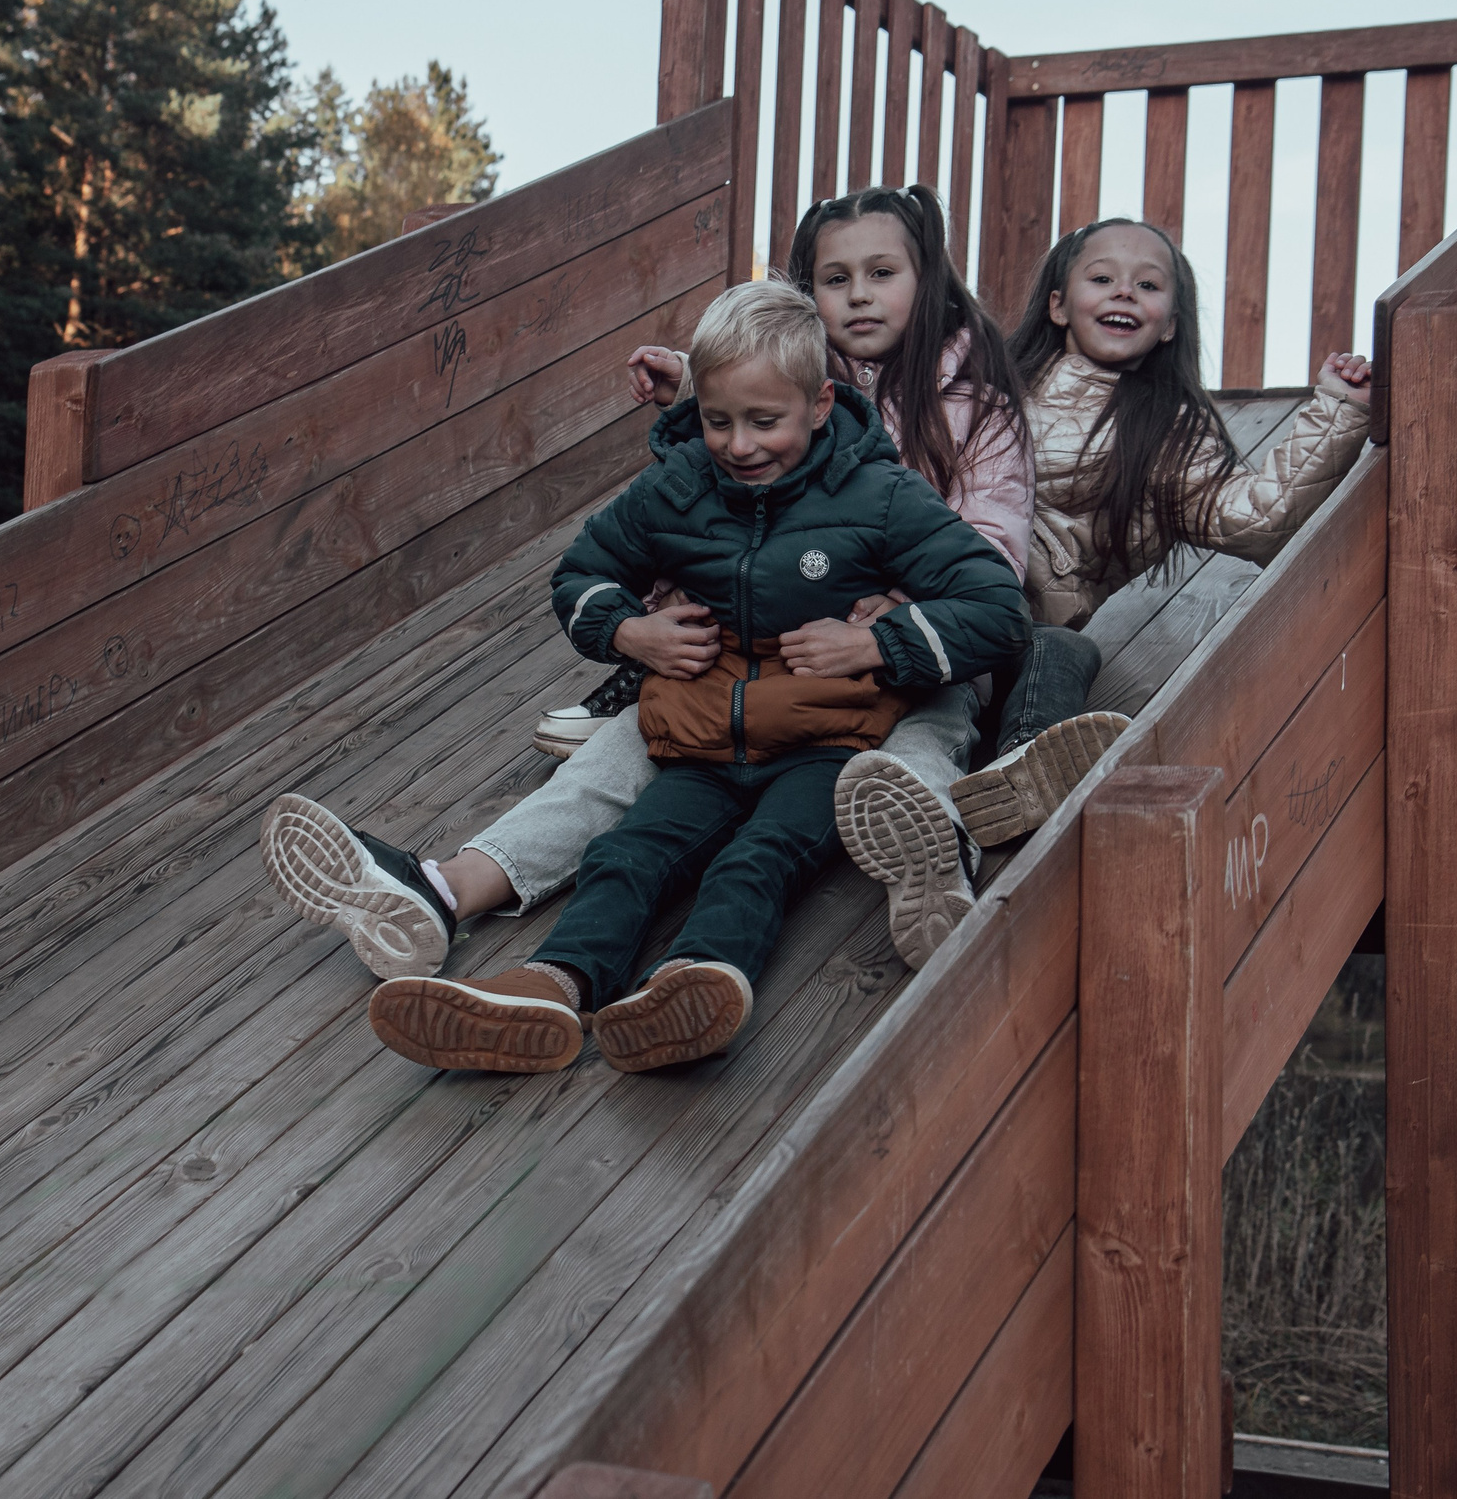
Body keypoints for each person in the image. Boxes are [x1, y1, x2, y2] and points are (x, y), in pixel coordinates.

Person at [266, 278, 1029, 1075]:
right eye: (717, 419)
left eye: (765, 422)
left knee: (757, 859)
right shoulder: (680, 486)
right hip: (697, 740)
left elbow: (995, 605)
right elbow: (582, 573)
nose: (738, 446)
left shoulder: (879, 496)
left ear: (820, 404)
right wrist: (631, 629)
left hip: (823, 743)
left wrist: (874, 646)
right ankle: (548, 987)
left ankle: (692, 985)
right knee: (627, 854)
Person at [948, 218, 1374, 844]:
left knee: (1065, 651)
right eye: (1102, 278)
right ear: (1059, 305)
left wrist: (1338, 408)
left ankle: (1020, 771)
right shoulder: (983, 387)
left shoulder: (1168, 434)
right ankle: (919, 779)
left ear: (1170, 322)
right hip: (938, 608)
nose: (1124, 292)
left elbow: (1254, 520)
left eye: (1147, 285)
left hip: (1022, 638)